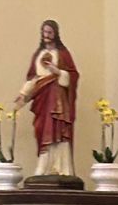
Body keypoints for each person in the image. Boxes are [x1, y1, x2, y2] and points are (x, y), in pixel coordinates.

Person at [15, 19, 79, 176]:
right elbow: (34, 78)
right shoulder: (38, 55)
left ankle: (61, 169)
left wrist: (57, 71)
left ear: (55, 34)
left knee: (57, 129)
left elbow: (73, 75)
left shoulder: (63, 54)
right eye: (44, 32)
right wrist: (23, 94)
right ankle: (43, 167)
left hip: (57, 97)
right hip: (42, 98)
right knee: (43, 129)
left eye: (50, 32)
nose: (47, 35)